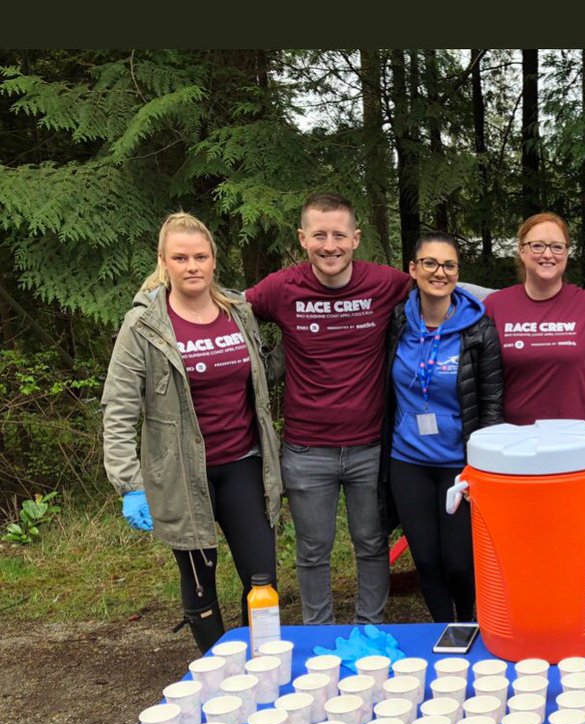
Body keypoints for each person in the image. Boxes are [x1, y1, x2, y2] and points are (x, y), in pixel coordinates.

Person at [101, 212, 281, 653]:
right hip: (181, 472)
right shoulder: (144, 326)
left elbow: (264, 373)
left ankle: (259, 659)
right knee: (199, 576)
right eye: (180, 257)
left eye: (200, 256)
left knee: (263, 574)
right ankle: (217, 669)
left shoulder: (238, 312)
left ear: (214, 260)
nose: (192, 266)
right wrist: (130, 483)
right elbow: (119, 406)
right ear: (164, 261)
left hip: (242, 463)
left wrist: (310, 346)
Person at [244, 193, 410, 627]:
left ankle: (370, 628)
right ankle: (318, 631)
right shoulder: (281, 289)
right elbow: (227, 310)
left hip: (370, 446)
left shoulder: (386, 283)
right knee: (313, 548)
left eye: (339, 235)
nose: (330, 245)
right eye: (320, 235)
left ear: (356, 239)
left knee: (371, 543)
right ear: (303, 239)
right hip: (306, 448)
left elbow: (442, 288)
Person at [381, 232, 503, 622]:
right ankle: (442, 624)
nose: (440, 272)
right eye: (430, 263)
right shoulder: (397, 322)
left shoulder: (478, 329)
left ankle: (466, 620)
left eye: (449, 265)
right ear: (413, 269)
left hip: (459, 465)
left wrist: (481, 468)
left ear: (457, 273)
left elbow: (491, 406)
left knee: (459, 561)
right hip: (408, 460)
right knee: (427, 558)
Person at [483, 212, 585, 424]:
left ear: (566, 253)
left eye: (557, 247)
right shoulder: (494, 307)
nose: (548, 254)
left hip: (579, 443)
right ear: (521, 250)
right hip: (515, 443)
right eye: (537, 246)